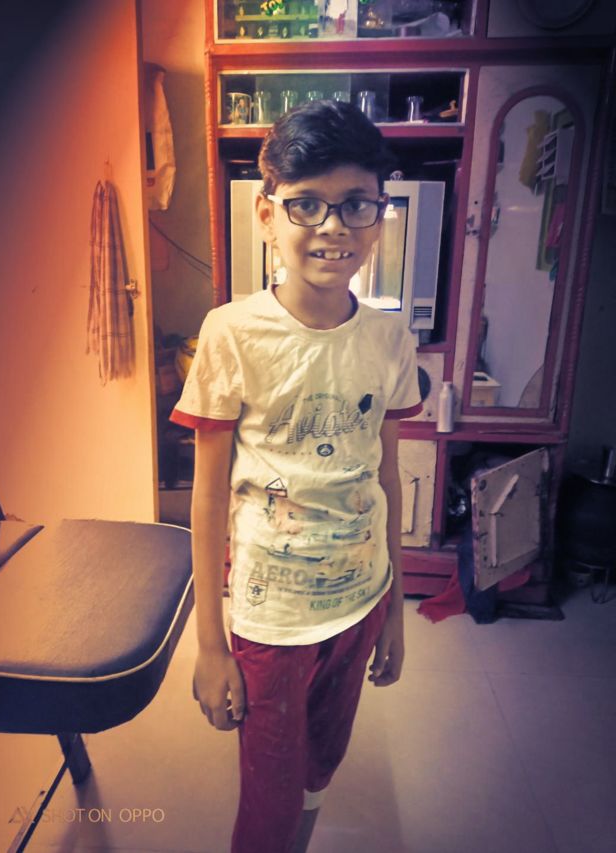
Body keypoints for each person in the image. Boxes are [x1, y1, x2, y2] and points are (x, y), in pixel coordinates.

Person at [170, 99, 423, 853]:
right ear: (267, 214)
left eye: (357, 205)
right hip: (271, 615)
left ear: (379, 217)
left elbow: (386, 476)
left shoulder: (389, 337)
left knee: (321, 765)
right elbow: (207, 498)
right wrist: (209, 645)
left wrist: (396, 608)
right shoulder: (232, 332)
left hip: (361, 598)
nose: (333, 227)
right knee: (269, 793)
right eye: (307, 204)